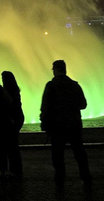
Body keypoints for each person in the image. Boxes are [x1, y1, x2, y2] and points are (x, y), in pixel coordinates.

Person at [40, 60, 92, 192]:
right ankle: (86, 178)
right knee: (79, 153)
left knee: (58, 155)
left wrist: (44, 123)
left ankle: (59, 181)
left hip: (57, 127)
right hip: (73, 125)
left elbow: (45, 107)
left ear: (56, 70)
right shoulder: (74, 85)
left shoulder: (51, 86)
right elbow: (83, 104)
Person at [1, 70, 24, 178]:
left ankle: (13, 170)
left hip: (12, 120)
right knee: (13, 145)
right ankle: (16, 170)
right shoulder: (15, 91)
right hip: (17, 119)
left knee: (11, 146)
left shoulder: (7, 92)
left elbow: (9, 105)